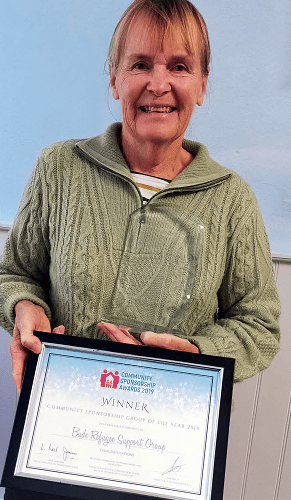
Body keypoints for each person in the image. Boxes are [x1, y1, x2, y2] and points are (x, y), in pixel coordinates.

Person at [0, 1, 280, 497]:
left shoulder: (231, 199)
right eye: (140, 64)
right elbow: (15, 272)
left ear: (203, 83)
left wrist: (196, 352)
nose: (159, 84)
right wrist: (24, 307)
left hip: (168, 457)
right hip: (59, 443)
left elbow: (258, 324)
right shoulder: (60, 169)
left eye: (179, 66)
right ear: (113, 79)